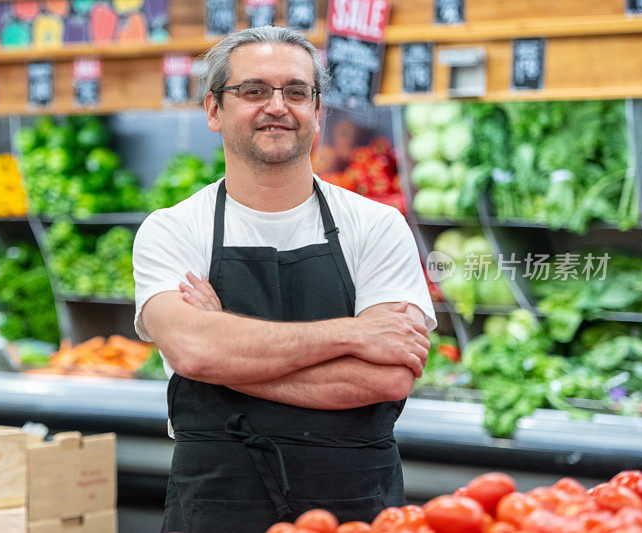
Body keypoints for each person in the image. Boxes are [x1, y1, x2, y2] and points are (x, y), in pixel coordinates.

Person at [132, 26, 436, 533]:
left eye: (296, 92)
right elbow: (193, 352)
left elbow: (387, 377)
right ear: (213, 110)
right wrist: (353, 334)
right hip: (217, 506)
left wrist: (225, 353)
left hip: (356, 509)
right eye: (253, 91)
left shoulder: (377, 225)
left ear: (318, 113)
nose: (278, 106)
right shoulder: (172, 228)